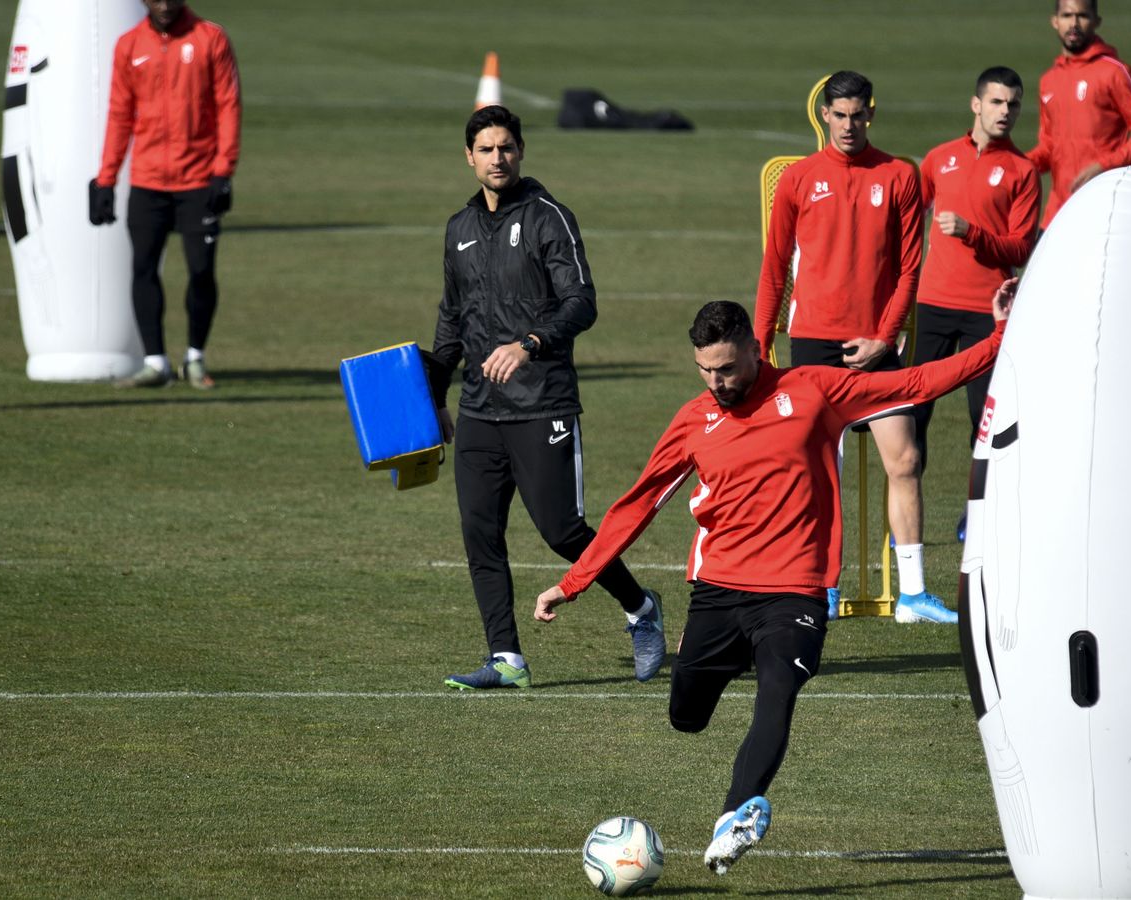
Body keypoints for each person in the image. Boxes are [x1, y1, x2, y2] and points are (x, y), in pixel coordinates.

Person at [535, 283, 1017, 875]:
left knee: (778, 693)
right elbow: (638, 505)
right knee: (685, 716)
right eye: (705, 371)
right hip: (717, 589)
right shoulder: (694, 420)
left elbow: (915, 384)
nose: (716, 382)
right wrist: (576, 581)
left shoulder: (813, 391)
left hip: (796, 589)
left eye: (727, 368)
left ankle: (734, 816)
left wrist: (998, 337)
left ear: (753, 349)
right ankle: (725, 662)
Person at [429, 105, 664, 690]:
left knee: (562, 531)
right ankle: (506, 657)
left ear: (521, 150)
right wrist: (435, 399)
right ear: (469, 157)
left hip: (543, 404)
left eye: (505, 147)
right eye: (485, 149)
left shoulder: (547, 217)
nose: (497, 158)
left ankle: (641, 609)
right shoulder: (458, 228)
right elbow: (450, 318)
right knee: (480, 532)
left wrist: (529, 344)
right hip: (479, 411)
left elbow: (581, 302)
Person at [753, 70, 949, 624]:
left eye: (857, 114)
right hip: (813, 342)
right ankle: (822, 585)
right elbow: (774, 270)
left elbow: (912, 267)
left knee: (905, 459)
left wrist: (884, 339)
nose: (847, 125)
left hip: (877, 345)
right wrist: (763, 344)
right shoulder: (798, 179)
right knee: (821, 469)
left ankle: (912, 593)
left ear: (870, 113)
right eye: (838, 115)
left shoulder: (899, 175)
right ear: (824, 115)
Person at [913, 67, 1039, 542]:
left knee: (983, 422)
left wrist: (973, 234)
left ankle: (978, 515)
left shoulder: (1023, 171)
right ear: (976, 105)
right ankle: (906, 520)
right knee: (913, 413)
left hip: (989, 313)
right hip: (931, 305)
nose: (1006, 112)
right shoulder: (939, 158)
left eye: (1014, 105)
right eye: (998, 102)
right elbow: (909, 222)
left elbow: (1022, 248)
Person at [91, 0, 241, 389]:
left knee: (202, 270)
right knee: (143, 267)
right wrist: (105, 179)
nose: (163, 5)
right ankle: (156, 362)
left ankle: (195, 357)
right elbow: (119, 113)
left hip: (199, 180)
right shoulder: (129, 45)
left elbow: (228, 105)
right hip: (148, 181)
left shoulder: (210, 38)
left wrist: (223, 172)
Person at [1029, 0, 1131, 229]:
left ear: (1096, 21)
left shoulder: (1115, 72)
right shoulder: (1048, 80)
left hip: (1104, 207)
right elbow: (1049, 147)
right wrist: (1013, 166)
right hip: (1058, 213)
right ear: (1055, 21)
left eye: (1082, 16)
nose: (1074, 23)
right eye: (1067, 16)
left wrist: (1105, 166)